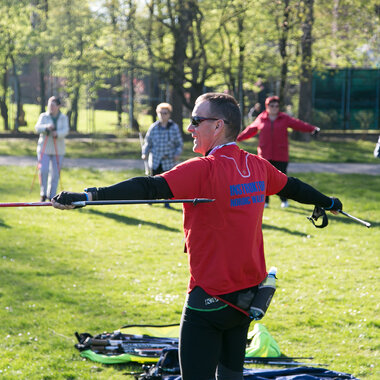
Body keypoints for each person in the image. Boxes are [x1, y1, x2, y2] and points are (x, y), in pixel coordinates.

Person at [52, 92, 342, 380]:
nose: (189, 128)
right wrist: (327, 201)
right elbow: (292, 187)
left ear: (218, 126)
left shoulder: (205, 169)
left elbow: (148, 187)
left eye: (195, 120)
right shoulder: (257, 166)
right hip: (247, 297)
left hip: (211, 297)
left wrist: (89, 196)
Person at [237, 96, 320, 208]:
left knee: (282, 179)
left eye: (276, 106)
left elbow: (298, 124)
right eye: (272, 106)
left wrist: (312, 129)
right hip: (264, 154)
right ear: (267, 106)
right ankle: (265, 201)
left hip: (281, 154)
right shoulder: (261, 118)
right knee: (264, 179)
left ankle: (284, 200)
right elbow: (250, 130)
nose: (274, 108)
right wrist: (236, 138)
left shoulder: (284, 118)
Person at [142, 102, 183, 208]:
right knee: (152, 181)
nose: (163, 115)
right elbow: (148, 142)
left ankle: (167, 203)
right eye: (161, 113)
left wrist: (177, 154)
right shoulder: (154, 127)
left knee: (167, 183)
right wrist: (144, 153)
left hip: (168, 161)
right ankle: (150, 200)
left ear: (169, 114)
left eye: (165, 113)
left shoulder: (174, 127)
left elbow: (179, 144)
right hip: (155, 160)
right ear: (157, 113)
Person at [35, 96, 69, 201]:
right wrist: (46, 128)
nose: (51, 107)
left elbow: (65, 131)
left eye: (53, 105)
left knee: (55, 174)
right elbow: (37, 128)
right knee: (43, 170)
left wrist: (57, 133)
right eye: (50, 105)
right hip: (44, 148)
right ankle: (43, 193)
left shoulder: (63, 117)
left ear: (58, 106)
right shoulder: (43, 116)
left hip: (58, 149)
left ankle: (52, 195)